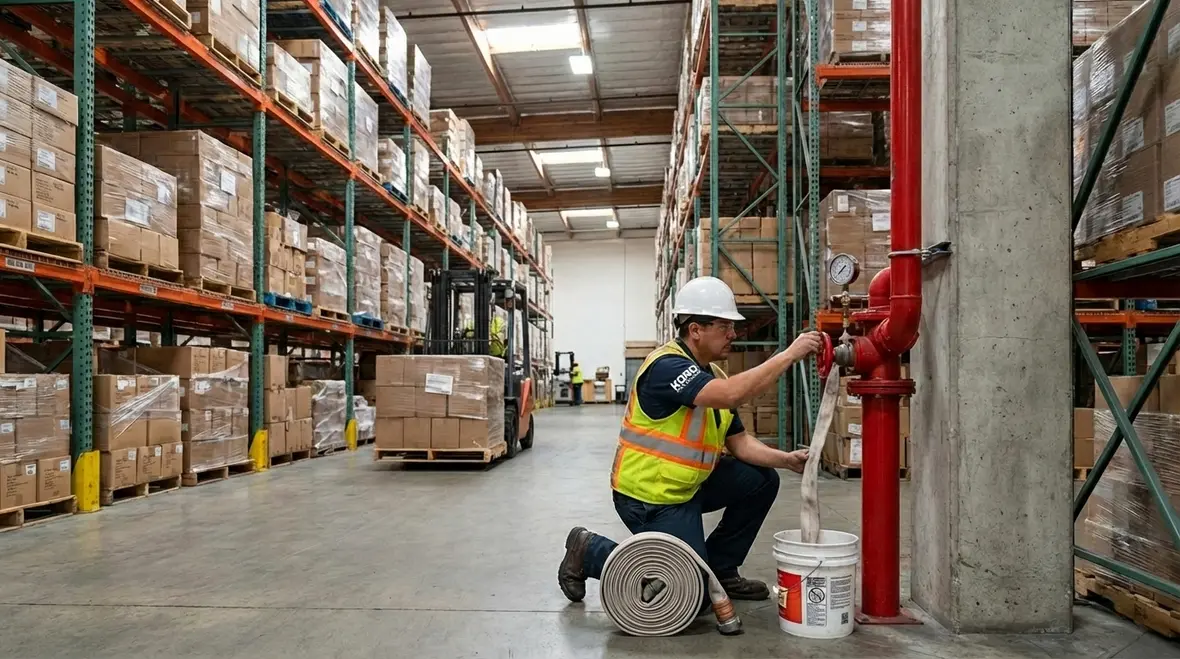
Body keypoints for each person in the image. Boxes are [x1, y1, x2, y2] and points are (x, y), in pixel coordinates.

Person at [557, 276, 823, 606]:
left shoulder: (714, 376)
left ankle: (721, 569)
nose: (733, 335)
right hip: (649, 498)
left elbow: (739, 444)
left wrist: (785, 460)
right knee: (689, 595)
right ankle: (589, 550)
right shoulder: (667, 367)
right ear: (695, 329)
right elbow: (730, 395)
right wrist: (787, 355)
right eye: (724, 327)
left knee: (761, 479)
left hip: (687, 488)